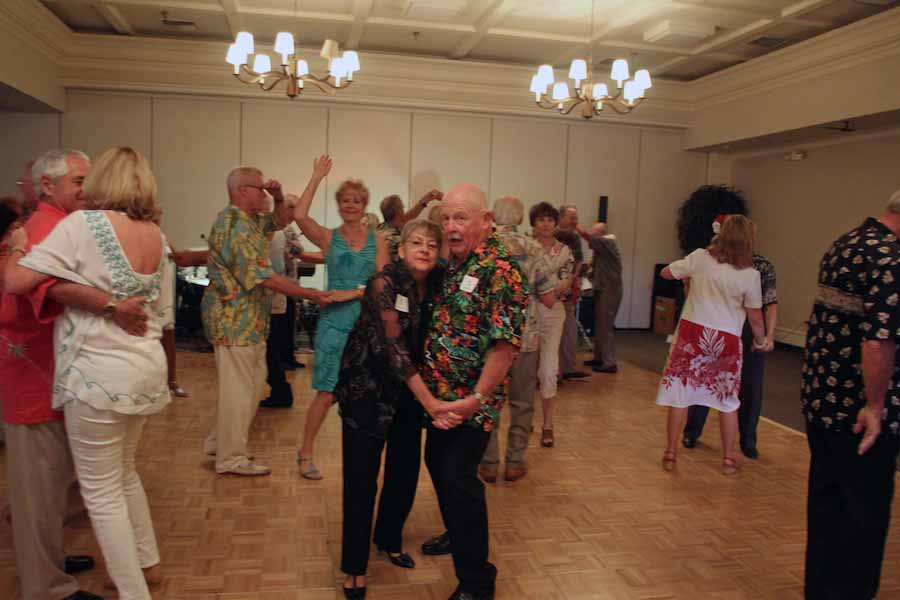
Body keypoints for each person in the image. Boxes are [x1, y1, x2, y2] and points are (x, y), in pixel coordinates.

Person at [5, 147, 178, 599]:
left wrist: (19, 248)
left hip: (98, 375)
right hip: (143, 368)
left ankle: (134, 591)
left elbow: (17, 282)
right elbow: (161, 310)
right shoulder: (156, 236)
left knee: (101, 494)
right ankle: (149, 566)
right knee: (124, 474)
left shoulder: (83, 225)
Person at [0, 149, 115, 600]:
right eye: (79, 181)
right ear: (48, 185)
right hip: (32, 374)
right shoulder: (44, 228)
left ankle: (48, 561)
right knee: (38, 489)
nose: (88, 189)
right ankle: (45, 587)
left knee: (51, 484)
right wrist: (112, 304)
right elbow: (34, 290)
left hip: (47, 372)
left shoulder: (53, 224)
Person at [337, 220, 460, 599]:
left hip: (408, 394)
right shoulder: (382, 285)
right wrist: (431, 402)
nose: (424, 249)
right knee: (361, 481)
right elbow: (394, 350)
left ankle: (389, 539)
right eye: (416, 243)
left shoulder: (438, 281)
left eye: (431, 244)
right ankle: (353, 568)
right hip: (367, 393)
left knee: (404, 474)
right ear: (402, 249)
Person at [419, 183, 528, 600]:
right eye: (446, 218)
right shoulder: (455, 263)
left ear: (485, 221)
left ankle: (477, 583)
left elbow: (505, 346)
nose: (450, 226)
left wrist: (476, 400)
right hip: (441, 399)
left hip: (471, 404)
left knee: (458, 477)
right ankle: (457, 531)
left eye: (461, 217)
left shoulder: (501, 270)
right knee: (438, 466)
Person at [801, 191, 900, 600]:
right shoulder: (892, 256)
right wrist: (875, 407)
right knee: (863, 514)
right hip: (860, 413)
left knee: (827, 505)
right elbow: (878, 342)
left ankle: (820, 589)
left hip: (821, 397)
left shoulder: (847, 242)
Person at [202, 162, 330, 477]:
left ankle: (220, 442)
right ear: (243, 191)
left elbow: (282, 219)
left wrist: (276, 195)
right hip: (233, 321)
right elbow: (263, 277)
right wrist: (310, 295)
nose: (263, 193)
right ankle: (230, 457)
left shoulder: (250, 220)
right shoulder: (234, 226)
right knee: (239, 391)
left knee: (252, 384)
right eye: (259, 188)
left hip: (250, 322)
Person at [294, 157, 385, 480]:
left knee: (363, 392)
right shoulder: (329, 238)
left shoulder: (378, 241)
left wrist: (355, 293)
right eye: (345, 201)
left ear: (365, 206)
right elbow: (299, 215)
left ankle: (362, 458)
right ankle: (305, 452)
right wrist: (316, 176)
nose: (351, 205)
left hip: (365, 324)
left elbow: (384, 283)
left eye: (356, 201)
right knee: (328, 391)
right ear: (339, 205)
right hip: (334, 324)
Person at [655, 215, 767, 475]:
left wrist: (688, 279)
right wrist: (761, 341)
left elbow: (666, 272)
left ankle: (671, 453)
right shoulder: (750, 275)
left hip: (692, 334)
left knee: (680, 396)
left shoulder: (700, 258)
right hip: (725, 339)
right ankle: (728, 459)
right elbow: (755, 317)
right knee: (726, 401)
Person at [683, 217, 777, 459]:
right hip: (724, 327)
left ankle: (747, 440)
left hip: (746, 331)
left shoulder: (762, 266)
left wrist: (768, 336)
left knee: (751, 385)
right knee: (707, 380)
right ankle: (692, 431)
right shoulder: (713, 261)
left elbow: (770, 304)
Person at [478, 196, 556, 483]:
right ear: (522, 218)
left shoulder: (483, 246)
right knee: (522, 403)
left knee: (488, 401)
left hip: (489, 339)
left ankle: (488, 463)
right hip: (525, 337)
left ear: (493, 217)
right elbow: (548, 299)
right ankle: (514, 461)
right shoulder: (534, 249)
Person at [530, 202, 573, 449]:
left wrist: (547, 290)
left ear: (556, 223)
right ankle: (525, 420)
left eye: (550, 219)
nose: (546, 224)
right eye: (541, 220)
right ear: (534, 223)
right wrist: (548, 288)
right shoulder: (527, 247)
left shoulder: (565, 250)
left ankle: (548, 424)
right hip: (528, 311)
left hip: (554, 312)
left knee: (548, 369)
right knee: (525, 370)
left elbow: (566, 282)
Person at [162, 241, 209, 398]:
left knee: (168, 336)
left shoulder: (160, 237)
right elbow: (181, 258)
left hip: (163, 299)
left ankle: (172, 382)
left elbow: (180, 258)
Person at [579, 222, 623, 373]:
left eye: (595, 234)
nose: (593, 239)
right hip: (602, 290)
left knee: (605, 325)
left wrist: (574, 223)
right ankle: (599, 358)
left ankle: (609, 363)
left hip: (609, 291)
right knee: (600, 324)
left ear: (602, 236)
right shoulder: (600, 252)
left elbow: (587, 236)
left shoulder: (608, 242)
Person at [555, 204, 589, 379]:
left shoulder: (573, 238)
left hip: (566, 290)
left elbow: (578, 263)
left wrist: (571, 283)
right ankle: (561, 369)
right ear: (561, 218)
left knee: (568, 328)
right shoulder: (558, 235)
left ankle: (566, 368)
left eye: (576, 216)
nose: (575, 220)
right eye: (571, 217)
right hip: (553, 290)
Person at [377, 189, 442, 261]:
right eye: (402, 207)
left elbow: (410, 216)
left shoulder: (380, 228)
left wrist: (425, 200)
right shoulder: (394, 237)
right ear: (399, 211)